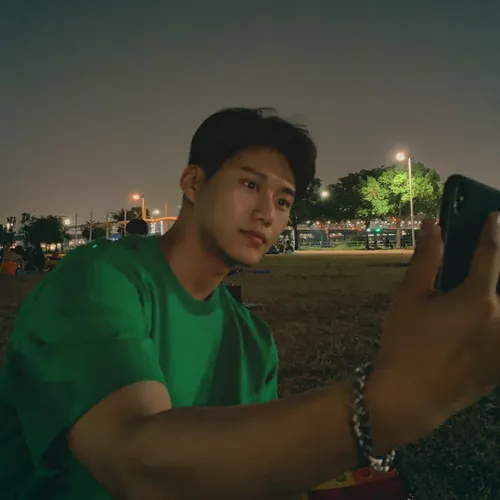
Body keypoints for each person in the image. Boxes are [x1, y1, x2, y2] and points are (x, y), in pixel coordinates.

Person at [1, 107, 500, 499]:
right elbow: (134, 461)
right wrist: (388, 404)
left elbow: (248, 476)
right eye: (249, 184)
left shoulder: (253, 342)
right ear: (193, 183)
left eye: (283, 201)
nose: (267, 212)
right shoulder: (99, 278)